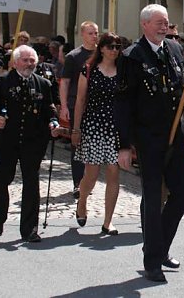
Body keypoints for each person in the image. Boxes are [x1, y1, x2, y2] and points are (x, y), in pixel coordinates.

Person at [116, 4, 184, 284]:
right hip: (148, 139)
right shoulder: (131, 57)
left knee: (183, 193)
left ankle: (160, 245)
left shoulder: (175, 51)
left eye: (166, 22)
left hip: (175, 136)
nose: (163, 27)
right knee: (153, 199)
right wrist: (124, 145)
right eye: (158, 23)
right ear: (144, 25)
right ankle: (153, 261)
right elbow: (123, 104)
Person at [0, 45, 60, 242]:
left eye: (32, 61)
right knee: (1, 181)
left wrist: (53, 122)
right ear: (16, 62)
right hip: (7, 140)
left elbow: (49, 108)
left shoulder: (43, 83)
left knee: (31, 184)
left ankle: (29, 229)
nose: (29, 64)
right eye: (25, 60)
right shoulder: (1, 81)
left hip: (33, 141)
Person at [71, 33, 123, 235]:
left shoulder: (122, 71)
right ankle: (82, 201)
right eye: (110, 46)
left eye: (117, 46)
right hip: (93, 125)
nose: (114, 50)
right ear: (101, 48)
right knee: (91, 175)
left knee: (113, 172)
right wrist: (76, 129)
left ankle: (108, 221)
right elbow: (80, 100)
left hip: (114, 127)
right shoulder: (89, 69)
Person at [59, 21, 99, 199]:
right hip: (78, 105)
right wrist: (64, 105)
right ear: (82, 34)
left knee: (94, 145)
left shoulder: (104, 54)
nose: (94, 36)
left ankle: (89, 180)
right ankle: (78, 183)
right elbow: (65, 82)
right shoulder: (74, 57)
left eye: (96, 33)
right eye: (90, 33)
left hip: (98, 106)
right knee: (78, 143)